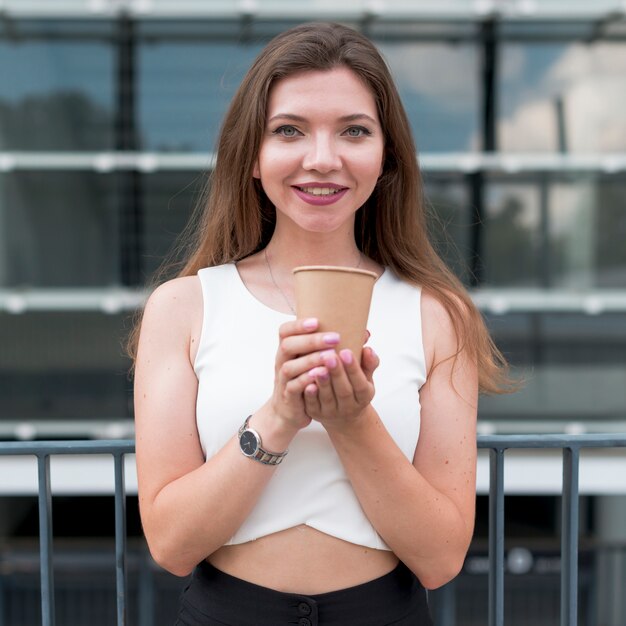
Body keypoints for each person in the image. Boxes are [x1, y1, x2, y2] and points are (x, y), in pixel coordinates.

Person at [128, 22, 511, 626]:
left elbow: (440, 558)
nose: (323, 159)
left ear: (386, 157)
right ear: (252, 157)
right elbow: (172, 546)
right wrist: (279, 416)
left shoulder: (439, 314)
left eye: (354, 131)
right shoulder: (182, 308)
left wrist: (353, 422)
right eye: (289, 131)